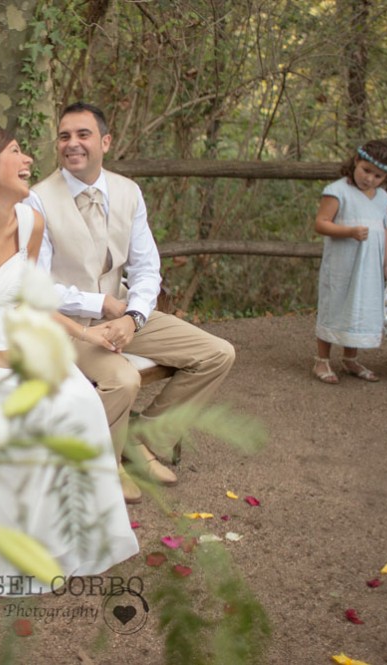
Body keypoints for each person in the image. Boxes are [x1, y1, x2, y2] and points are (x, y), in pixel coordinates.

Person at [0, 127, 139, 606]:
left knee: (78, 404)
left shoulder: (29, 223)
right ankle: (1, 558)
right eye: (16, 151)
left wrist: (83, 334)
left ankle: (64, 545)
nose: (28, 158)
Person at [26, 102, 236, 504]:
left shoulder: (127, 191)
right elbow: (34, 287)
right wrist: (98, 304)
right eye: (65, 136)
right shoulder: (38, 200)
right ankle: (106, 462)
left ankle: (142, 440)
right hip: (67, 326)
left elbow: (146, 266)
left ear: (105, 141)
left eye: (83, 134)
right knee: (123, 378)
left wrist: (135, 317)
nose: (72, 144)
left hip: (122, 313)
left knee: (217, 353)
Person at [312, 140, 387, 384]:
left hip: (369, 267)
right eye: (365, 170)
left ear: (385, 178)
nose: (370, 179)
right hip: (343, 264)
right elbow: (321, 223)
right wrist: (349, 232)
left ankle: (350, 358)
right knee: (336, 304)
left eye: (378, 175)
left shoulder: (382, 198)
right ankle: (322, 360)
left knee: (359, 307)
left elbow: (384, 231)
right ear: (355, 162)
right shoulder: (337, 190)